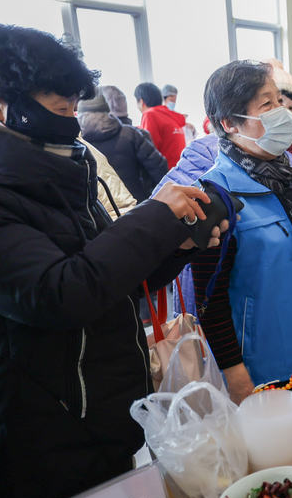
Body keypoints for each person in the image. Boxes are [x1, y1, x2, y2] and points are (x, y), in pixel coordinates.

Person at [0, 25, 227, 497]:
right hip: (47, 430)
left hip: (104, 411)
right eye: (58, 107)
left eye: (73, 107)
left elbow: (108, 278)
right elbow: (62, 291)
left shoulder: (67, 169)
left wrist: (175, 247)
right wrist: (155, 216)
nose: (70, 121)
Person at [194, 60, 292, 402]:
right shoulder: (215, 195)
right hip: (264, 364)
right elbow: (209, 298)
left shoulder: (285, 173)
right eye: (267, 104)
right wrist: (233, 369)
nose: (282, 112)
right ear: (229, 123)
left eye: (280, 100)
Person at [78, 90, 168, 202]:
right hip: (138, 205)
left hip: (102, 212)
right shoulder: (130, 134)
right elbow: (158, 168)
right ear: (106, 108)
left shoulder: (77, 144)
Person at [134, 82, 186, 169]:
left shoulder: (149, 114)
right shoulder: (170, 115)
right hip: (180, 171)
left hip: (167, 175)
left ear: (141, 101)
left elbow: (149, 150)